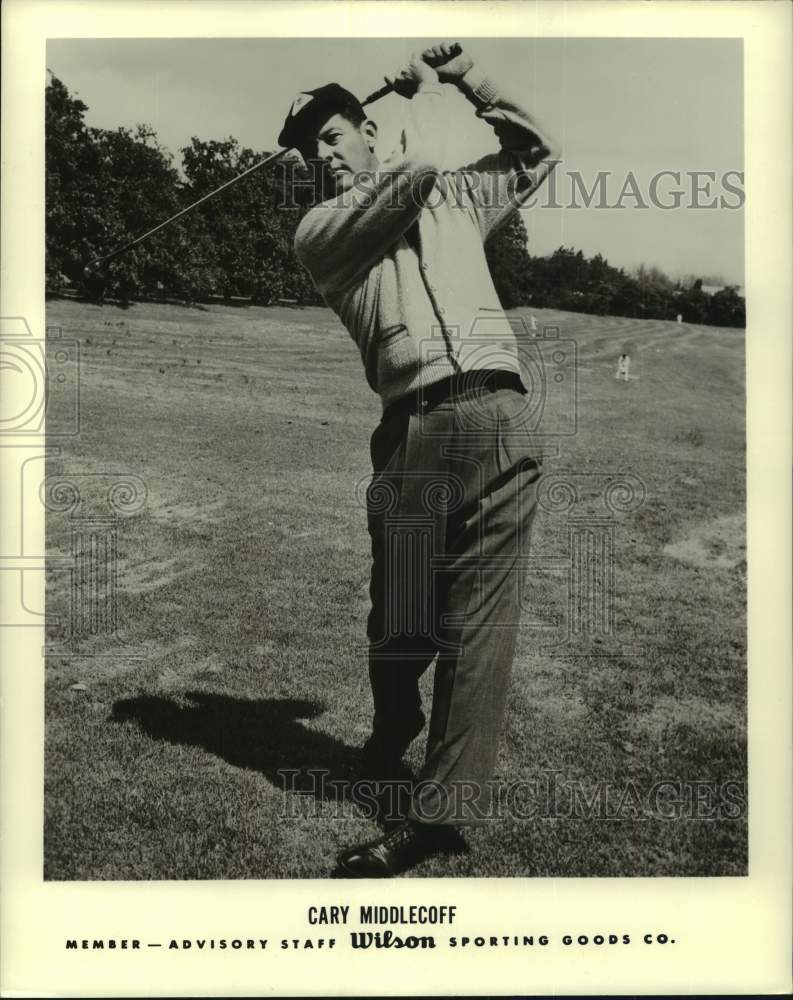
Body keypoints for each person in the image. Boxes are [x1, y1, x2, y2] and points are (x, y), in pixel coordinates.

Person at [281, 42, 561, 876]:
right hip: (412, 430)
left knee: (479, 628)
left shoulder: (455, 200)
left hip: (499, 416)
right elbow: (421, 165)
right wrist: (418, 98)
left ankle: (437, 814)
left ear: (365, 129)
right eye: (310, 149)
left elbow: (536, 152)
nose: (323, 157)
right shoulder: (322, 231)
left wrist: (469, 80)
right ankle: (390, 719)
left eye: (333, 136)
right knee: (400, 619)